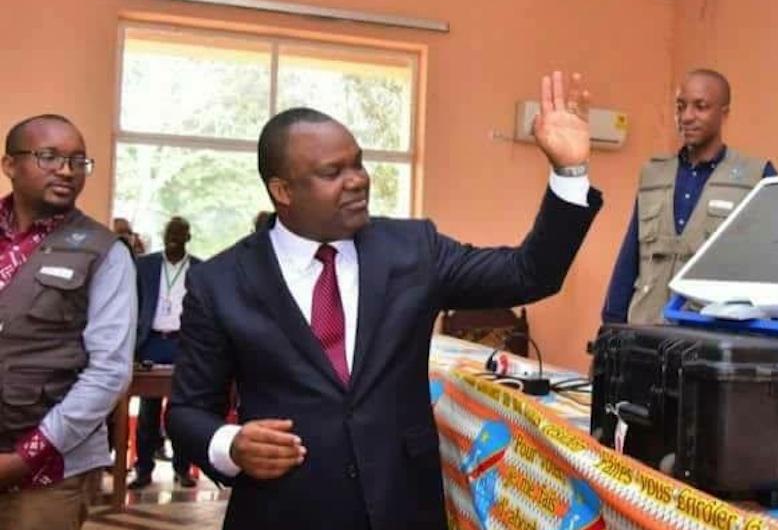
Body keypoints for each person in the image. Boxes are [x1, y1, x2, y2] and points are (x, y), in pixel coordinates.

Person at [167, 71, 601, 529]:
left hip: (401, 507)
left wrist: (569, 172)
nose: (357, 180)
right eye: (333, 172)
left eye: (358, 164)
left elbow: (530, 273)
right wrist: (231, 445)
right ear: (283, 191)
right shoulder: (220, 283)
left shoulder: (414, 250)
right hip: (282, 512)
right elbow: (188, 411)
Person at [0, 114, 136, 530]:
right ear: (10, 165)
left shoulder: (104, 252)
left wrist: (25, 457)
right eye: (49, 157)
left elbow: (109, 370)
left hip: (47, 474)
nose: (66, 170)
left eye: (78, 161)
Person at [602, 69, 777, 325]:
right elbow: (631, 253)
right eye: (681, 107)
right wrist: (612, 322)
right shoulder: (654, 174)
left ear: (724, 113)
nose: (686, 116)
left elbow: (772, 261)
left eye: (700, 107)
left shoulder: (756, 176)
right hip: (646, 328)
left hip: (710, 333)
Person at [128, 216, 201, 489]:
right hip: (151, 342)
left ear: (187, 238)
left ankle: (182, 469)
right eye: (169, 234)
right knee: (148, 410)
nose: (173, 240)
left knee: (181, 409)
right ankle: (143, 470)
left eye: (179, 235)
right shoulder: (144, 265)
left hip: (183, 344)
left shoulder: (200, 269)